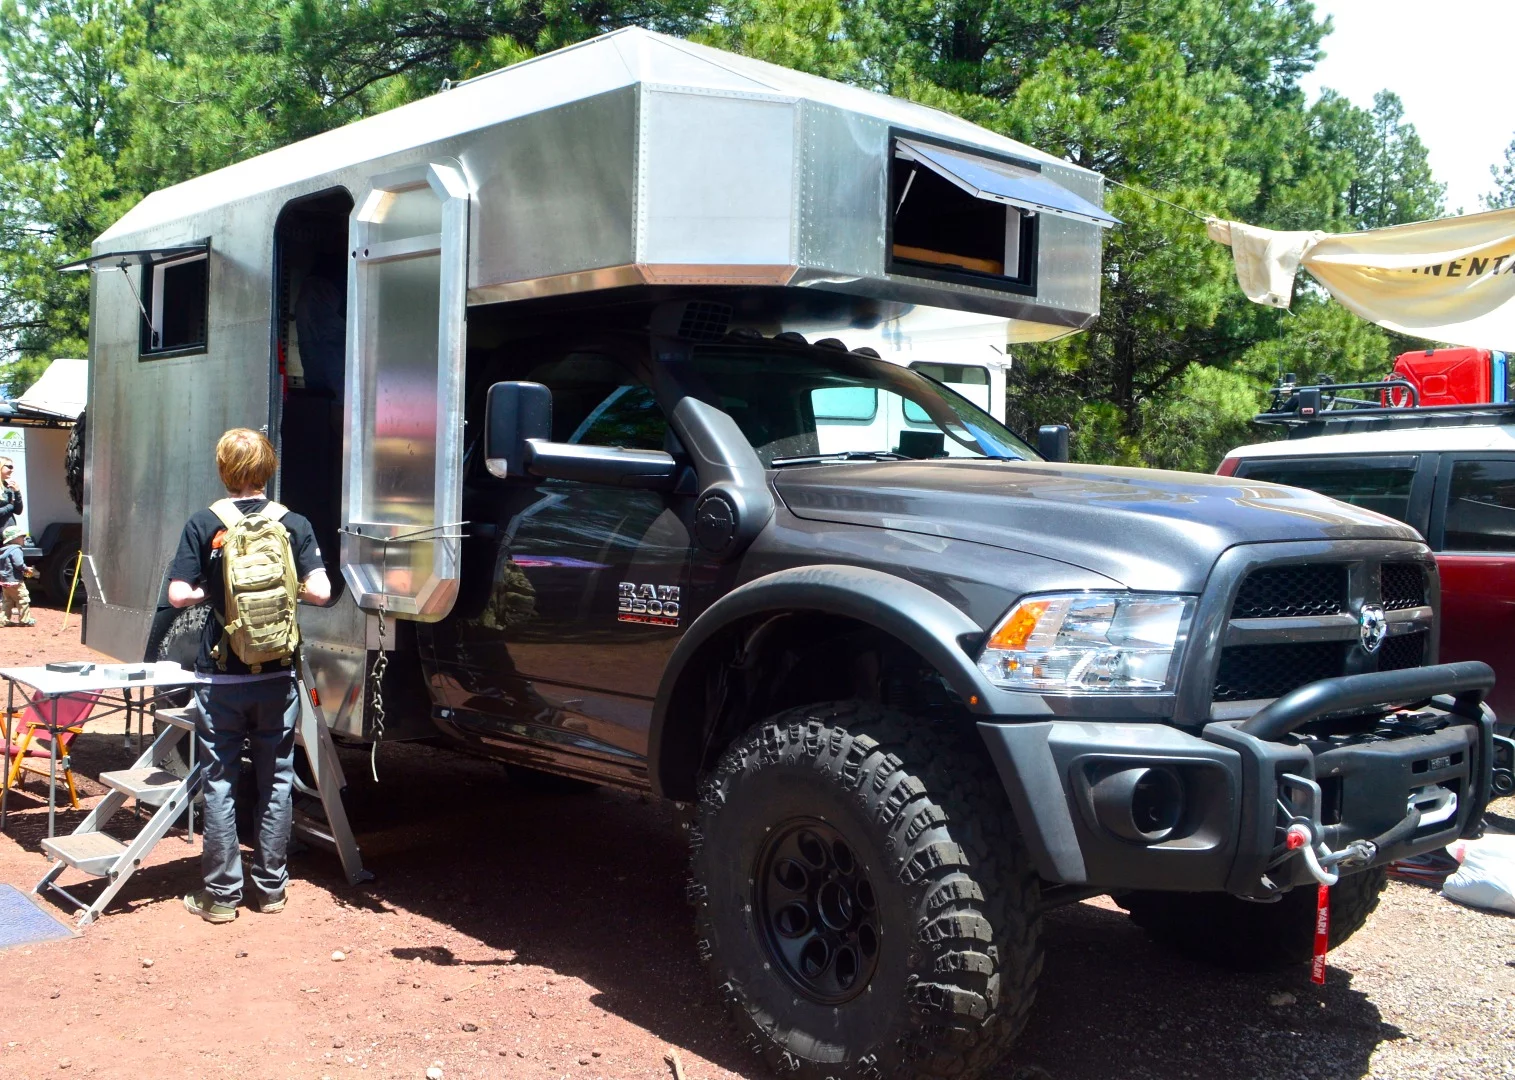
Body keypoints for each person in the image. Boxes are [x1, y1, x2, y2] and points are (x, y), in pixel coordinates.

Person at [168, 428, 330, 923]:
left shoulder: (205, 523)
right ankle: (272, 889)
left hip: (221, 676)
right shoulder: (293, 523)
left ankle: (221, 897)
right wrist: (283, 590)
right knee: (276, 778)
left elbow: (178, 594)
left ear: (223, 470)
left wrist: (217, 595)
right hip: (277, 675)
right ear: (268, 469)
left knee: (219, 780)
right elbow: (321, 591)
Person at [0, 524, 36, 626]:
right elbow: (18, 563)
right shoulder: (16, 549)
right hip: (16, 581)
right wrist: (26, 569)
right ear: (15, 539)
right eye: (22, 537)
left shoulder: (4, 550)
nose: (24, 539)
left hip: (5, 581)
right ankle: (25, 620)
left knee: (8, 601)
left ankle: (3, 620)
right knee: (23, 599)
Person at [0, 457, 23, 537]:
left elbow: (18, 511)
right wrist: (10, 506)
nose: (12, 470)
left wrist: (17, 492)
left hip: (9, 534)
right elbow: (11, 507)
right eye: (10, 467)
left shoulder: (7, 486)